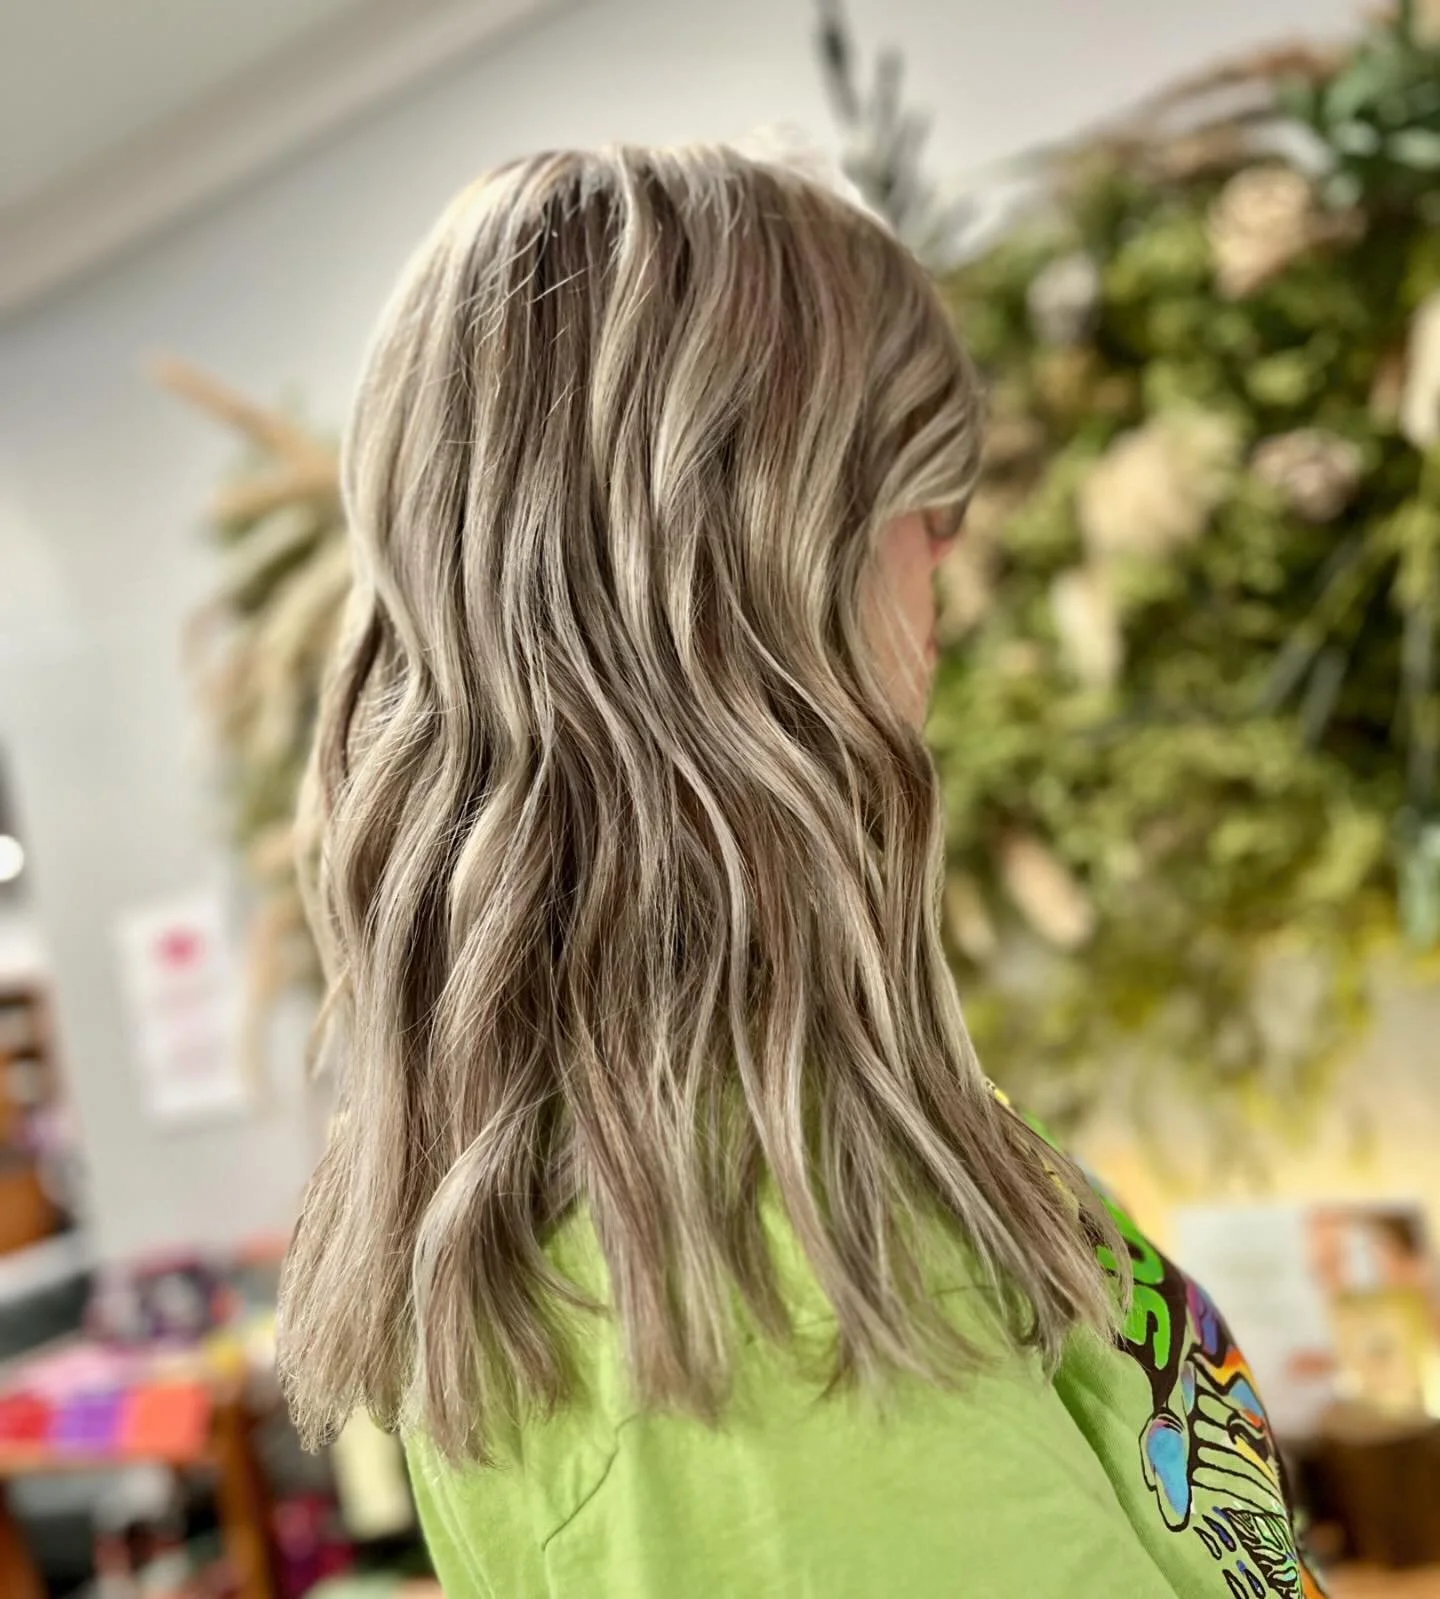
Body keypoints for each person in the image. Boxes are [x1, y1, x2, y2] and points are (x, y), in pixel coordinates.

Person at [276, 145, 1326, 1598]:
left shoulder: (766, 1156)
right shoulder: (733, 1291)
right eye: (916, 490)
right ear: (754, 560)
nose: (944, 552)